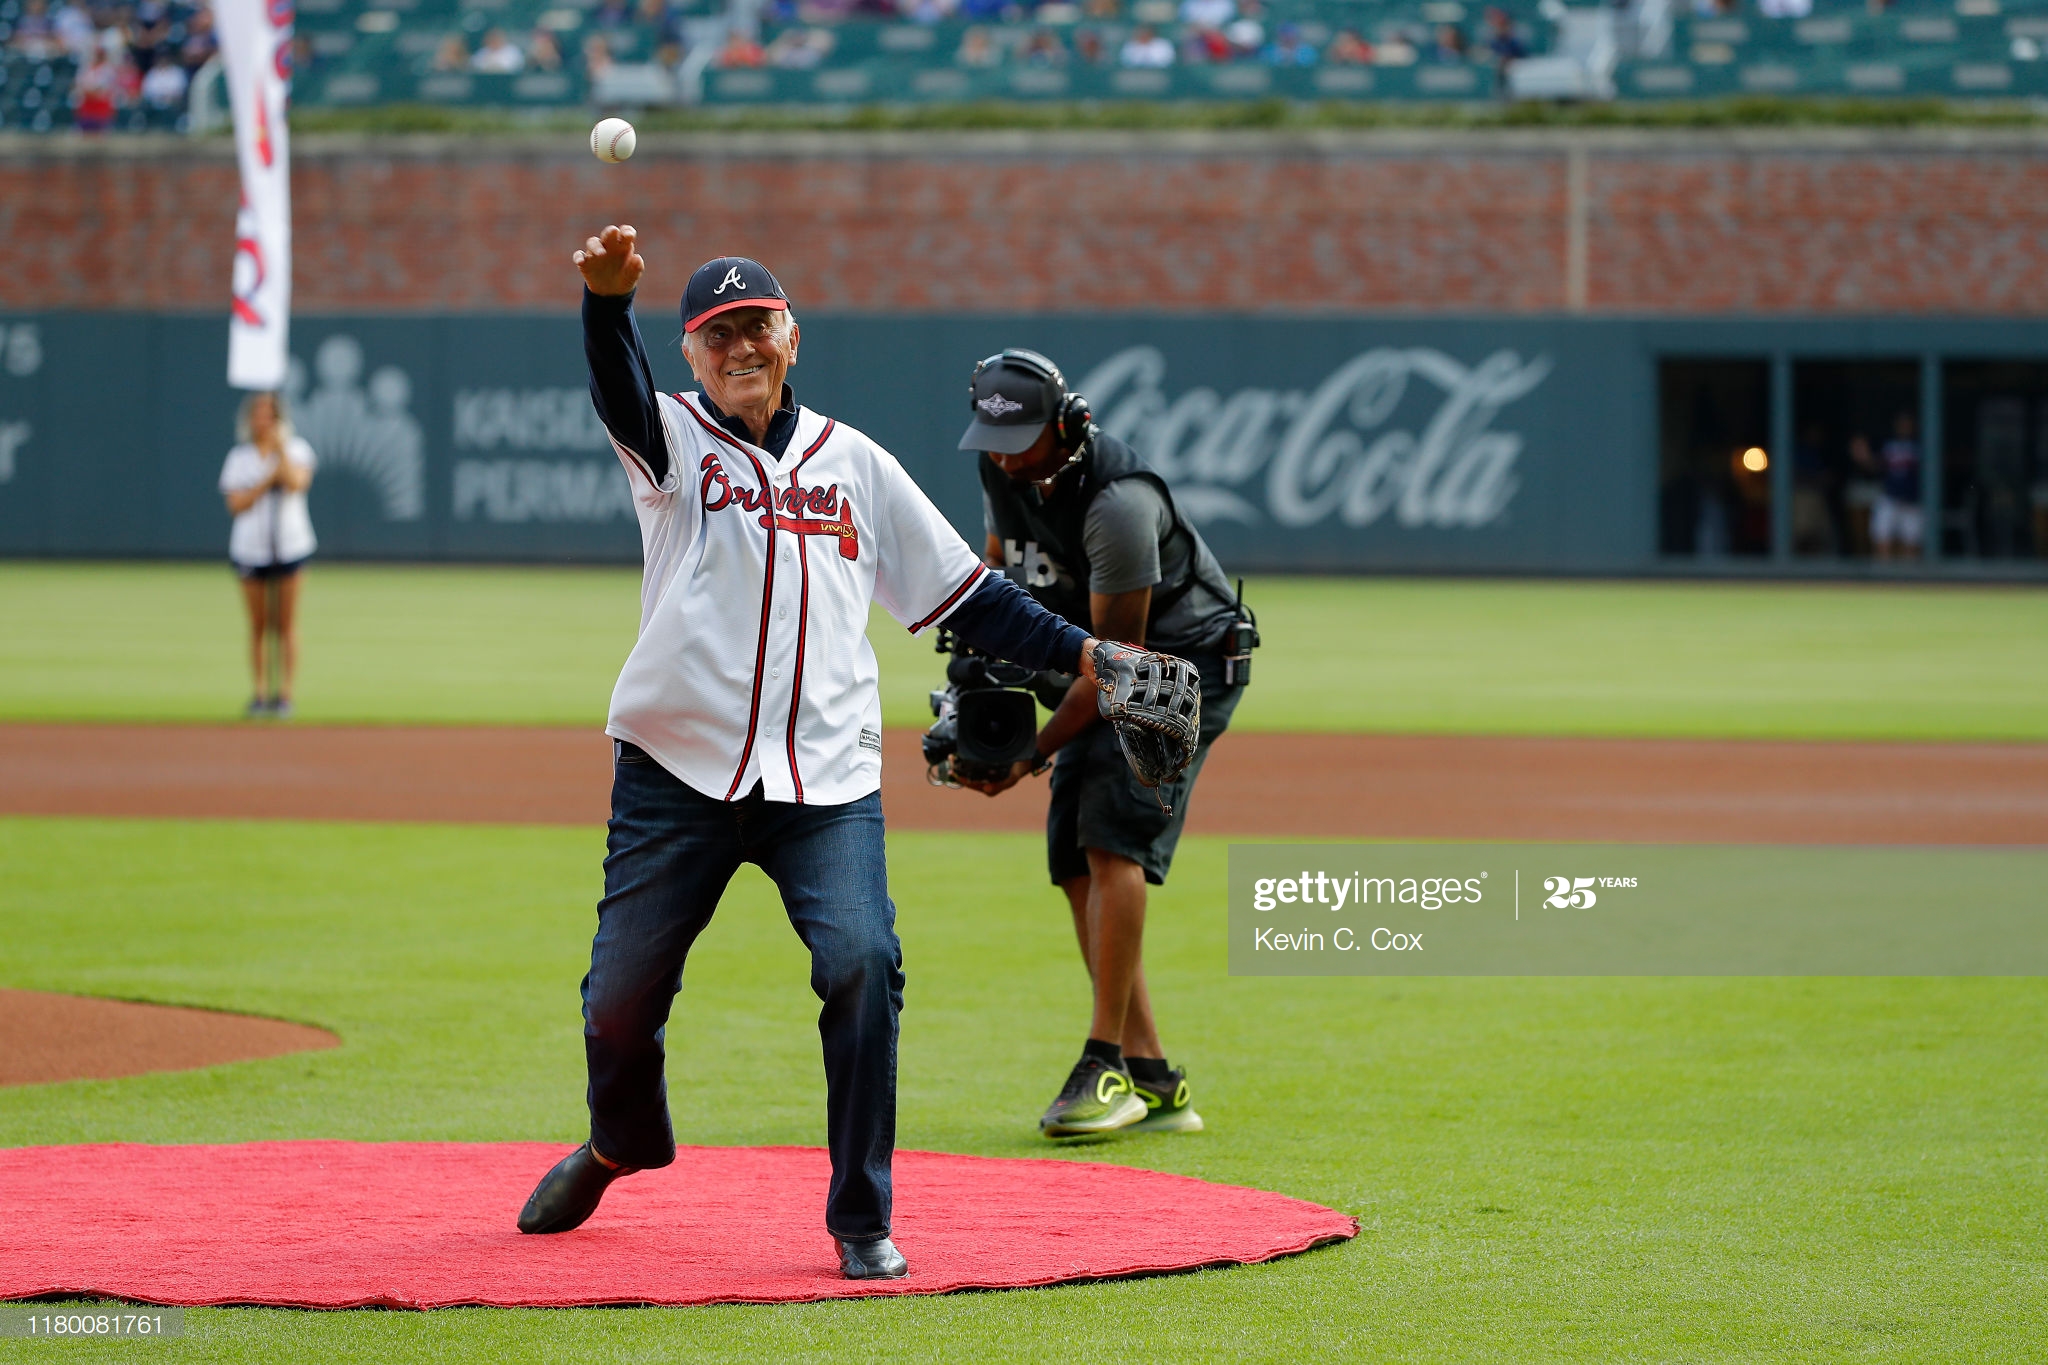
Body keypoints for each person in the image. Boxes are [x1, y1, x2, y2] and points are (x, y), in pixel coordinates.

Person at [515, 228, 1124, 1281]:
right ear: (693, 354)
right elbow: (619, 386)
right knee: (616, 1003)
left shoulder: (854, 464)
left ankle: (860, 1216)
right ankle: (621, 1140)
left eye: (757, 325)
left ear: (791, 334)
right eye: (716, 334)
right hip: (674, 776)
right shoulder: (669, 447)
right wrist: (606, 305)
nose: (740, 345)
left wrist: (1089, 656)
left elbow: (969, 595)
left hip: (824, 781)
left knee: (862, 965)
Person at [951, 349, 1250, 1139]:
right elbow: (1001, 569)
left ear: (1069, 424)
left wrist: (1031, 751)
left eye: (1022, 440)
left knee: (1112, 840)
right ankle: (1152, 1077)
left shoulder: (1118, 506)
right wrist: (977, 679)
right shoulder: (1002, 465)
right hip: (1107, 663)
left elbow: (1121, 668)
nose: (1007, 457)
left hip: (1177, 671)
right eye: (992, 439)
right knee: (1071, 856)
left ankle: (1104, 1060)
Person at [218, 391, 316, 719]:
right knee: (258, 624)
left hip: (289, 545)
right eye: (258, 414)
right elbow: (236, 504)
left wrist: (280, 453)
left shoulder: (297, 450)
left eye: (270, 415)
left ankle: (285, 694)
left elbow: (296, 484)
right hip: (250, 548)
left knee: (285, 623)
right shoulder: (239, 457)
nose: (263, 421)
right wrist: (263, 481)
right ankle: (259, 693)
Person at [1865, 411, 1924, 560]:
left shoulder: (1921, 444)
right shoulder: (1887, 444)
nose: (1904, 427)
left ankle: (1908, 581)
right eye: (1901, 424)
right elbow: (1875, 466)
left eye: (1908, 423)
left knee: (1911, 546)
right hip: (1890, 498)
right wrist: (1865, 458)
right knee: (1882, 538)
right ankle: (1883, 579)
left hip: (1912, 501)